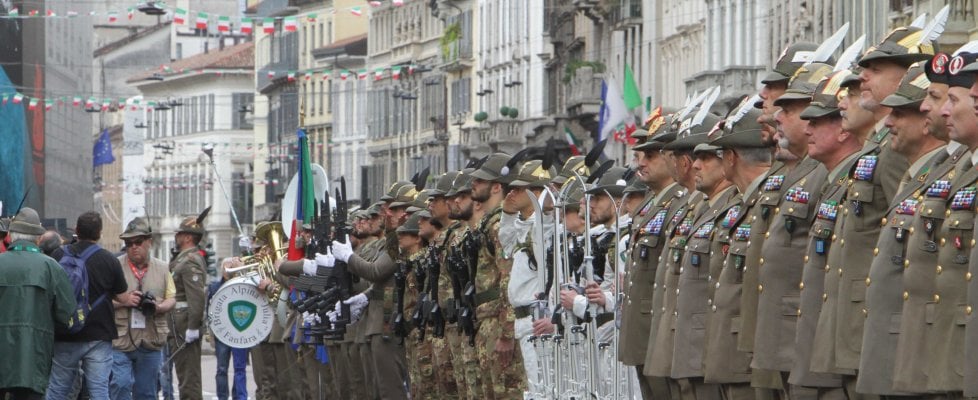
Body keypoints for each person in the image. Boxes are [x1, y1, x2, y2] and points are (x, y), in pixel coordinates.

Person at [46, 211, 129, 400]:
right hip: (98, 335)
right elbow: (123, 297)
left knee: (57, 390)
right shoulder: (109, 260)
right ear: (99, 233)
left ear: (77, 230)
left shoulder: (58, 255)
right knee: (99, 391)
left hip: (65, 332)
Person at [0, 208, 76, 400]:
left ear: (10, 236)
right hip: (35, 357)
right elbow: (66, 313)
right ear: (38, 238)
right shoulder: (51, 267)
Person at [109, 217, 176, 400]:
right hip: (121, 339)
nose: (133, 247)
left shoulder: (163, 268)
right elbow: (103, 301)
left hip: (151, 339)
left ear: (149, 242)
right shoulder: (115, 266)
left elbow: (172, 299)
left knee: (147, 393)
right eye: (128, 243)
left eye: (138, 242)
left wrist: (159, 307)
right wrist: (124, 301)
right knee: (120, 385)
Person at [167, 210, 210, 400]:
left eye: (179, 233)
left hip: (185, 324)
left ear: (187, 237)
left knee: (189, 379)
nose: (175, 236)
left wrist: (193, 327)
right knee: (184, 375)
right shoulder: (182, 258)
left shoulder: (190, 260)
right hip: (179, 323)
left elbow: (196, 297)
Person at [208, 259, 250, 400]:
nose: (228, 270)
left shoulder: (241, 284)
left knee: (239, 368)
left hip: (238, 331)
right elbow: (210, 311)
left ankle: (237, 395)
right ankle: (222, 397)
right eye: (226, 267)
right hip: (222, 333)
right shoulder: (214, 287)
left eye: (231, 267)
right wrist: (211, 332)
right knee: (221, 369)